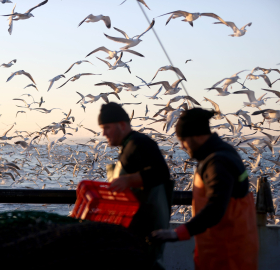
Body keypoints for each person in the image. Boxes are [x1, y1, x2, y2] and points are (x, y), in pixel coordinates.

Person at [151, 108, 259, 270]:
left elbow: (216, 206)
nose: (182, 146)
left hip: (227, 254)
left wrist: (178, 233)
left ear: (196, 136)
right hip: (225, 246)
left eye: (183, 140)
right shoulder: (223, 152)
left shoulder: (218, 162)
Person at [98, 102, 173, 270]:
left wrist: (127, 180)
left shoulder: (139, 143)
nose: (103, 133)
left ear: (122, 125)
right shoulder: (127, 146)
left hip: (146, 231)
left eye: (107, 127)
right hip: (132, 230)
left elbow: (161, 173)